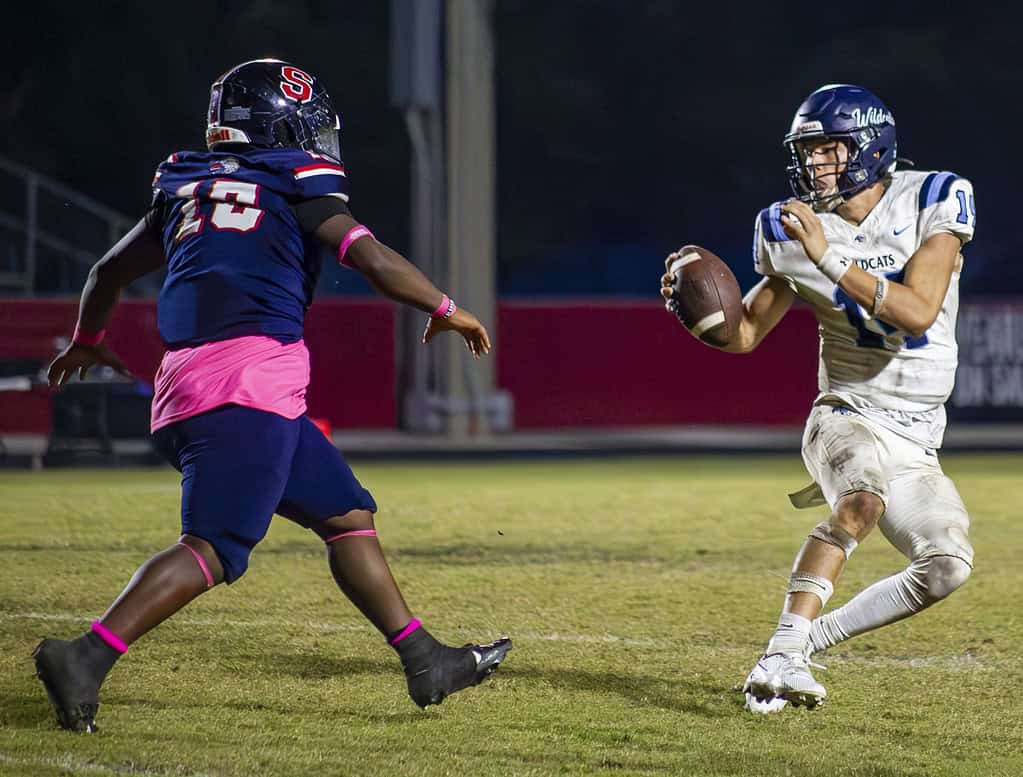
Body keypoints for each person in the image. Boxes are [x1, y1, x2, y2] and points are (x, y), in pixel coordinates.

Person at [34, 59, 511, 733]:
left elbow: (107, 269)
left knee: (346, 512)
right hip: (245, 387)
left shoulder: (186, 181)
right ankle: (84, 655)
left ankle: (425, 659)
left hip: (196, 384)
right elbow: (369, 257)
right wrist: (445, 304)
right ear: (280, 126)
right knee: (214, 547)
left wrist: (88, 337)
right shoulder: (296, 181)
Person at [661, 84, 975, 712]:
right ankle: (781, 651)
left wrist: (827, 256)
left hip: (918, 435)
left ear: (870, 145)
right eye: (807, 153)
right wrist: (694, 310)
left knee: (947, 567)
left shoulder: (935, 197)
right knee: (860, 499)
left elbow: (916, 312)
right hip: (846, 412)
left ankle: (808, 645)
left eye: (828, 150)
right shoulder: (788, 227)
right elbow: (745, 332)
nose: (815, 166)